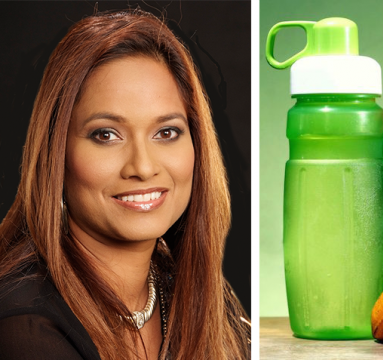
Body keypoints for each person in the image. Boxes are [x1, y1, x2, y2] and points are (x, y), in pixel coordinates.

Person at [0, 9, 250, 360]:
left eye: (167, 132)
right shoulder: (24, 330)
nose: (143, 167)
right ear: (55, 154)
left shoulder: (188, 292)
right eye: (106, 134)